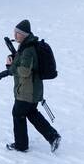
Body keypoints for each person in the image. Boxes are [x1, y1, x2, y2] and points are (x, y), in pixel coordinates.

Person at [5, 20, 61, 153]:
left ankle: (21, 145)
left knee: (18, 113)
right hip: (33, 90)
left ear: (24, 34)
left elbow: (24, 71)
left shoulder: (28, 49)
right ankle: (53, 137)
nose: (15, 35)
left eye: (17, 33)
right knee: (31, 113)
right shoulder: (27, 46)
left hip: (27, 91)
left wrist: (11, 67)